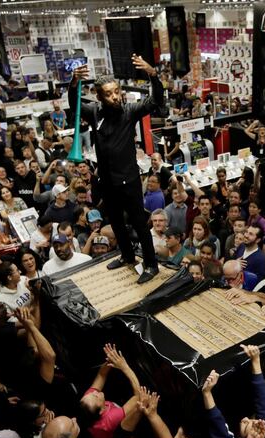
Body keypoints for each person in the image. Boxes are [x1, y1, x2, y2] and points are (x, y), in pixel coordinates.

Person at [70, 56, 164, 284]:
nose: (115, 96)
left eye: (116, 91)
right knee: (116, 222)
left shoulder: (129, 110)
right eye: (109, 94)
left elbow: (155, 101)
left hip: (129, 180)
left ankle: (151, 265)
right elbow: (75, 105)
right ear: (99, 96)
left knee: (140, 225)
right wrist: (74, 84)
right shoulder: (95, 112)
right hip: (106, 181)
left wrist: (153, 74)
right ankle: (127, 256)